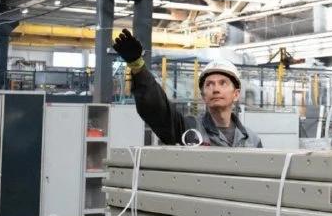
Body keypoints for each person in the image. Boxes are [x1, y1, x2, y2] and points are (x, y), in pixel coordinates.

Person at [112, 29, 262, 147]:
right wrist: (137, 65)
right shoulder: (189, 129)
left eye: (223, 83)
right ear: (203, 96)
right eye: (209, 84)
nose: (216, 89)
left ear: (236, 94)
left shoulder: (252, 141)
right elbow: (157, 109)